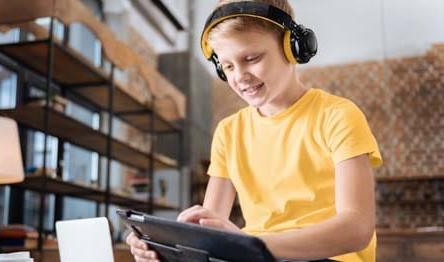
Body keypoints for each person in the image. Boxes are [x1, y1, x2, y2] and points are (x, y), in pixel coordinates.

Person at [126, 0, 382, 261]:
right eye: (227, 66)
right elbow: (208, 229)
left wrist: (249, 244)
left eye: (251, 58)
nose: (239, 76)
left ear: (292, 47)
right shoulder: (229, 132)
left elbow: (356, 229)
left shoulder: (337, 116)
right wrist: (167, 248)